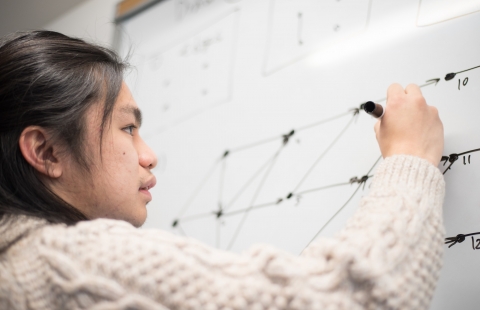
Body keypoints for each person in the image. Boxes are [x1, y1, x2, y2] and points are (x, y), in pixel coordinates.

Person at [0, 31, 445, 310]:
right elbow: (345, 300)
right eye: (128, 128)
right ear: (47, 151)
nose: (149, 154)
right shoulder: (67, 263)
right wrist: (410, 160)